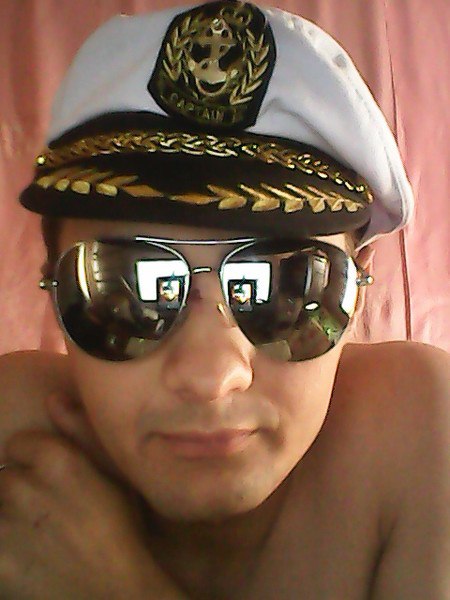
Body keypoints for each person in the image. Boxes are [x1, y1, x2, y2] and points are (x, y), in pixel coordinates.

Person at [0, 2, 448, 598]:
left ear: (359, 292)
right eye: (129, 284)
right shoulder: (14, 437)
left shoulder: (425, 436)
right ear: (55, 292)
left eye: (285, 286)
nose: (212, 377)